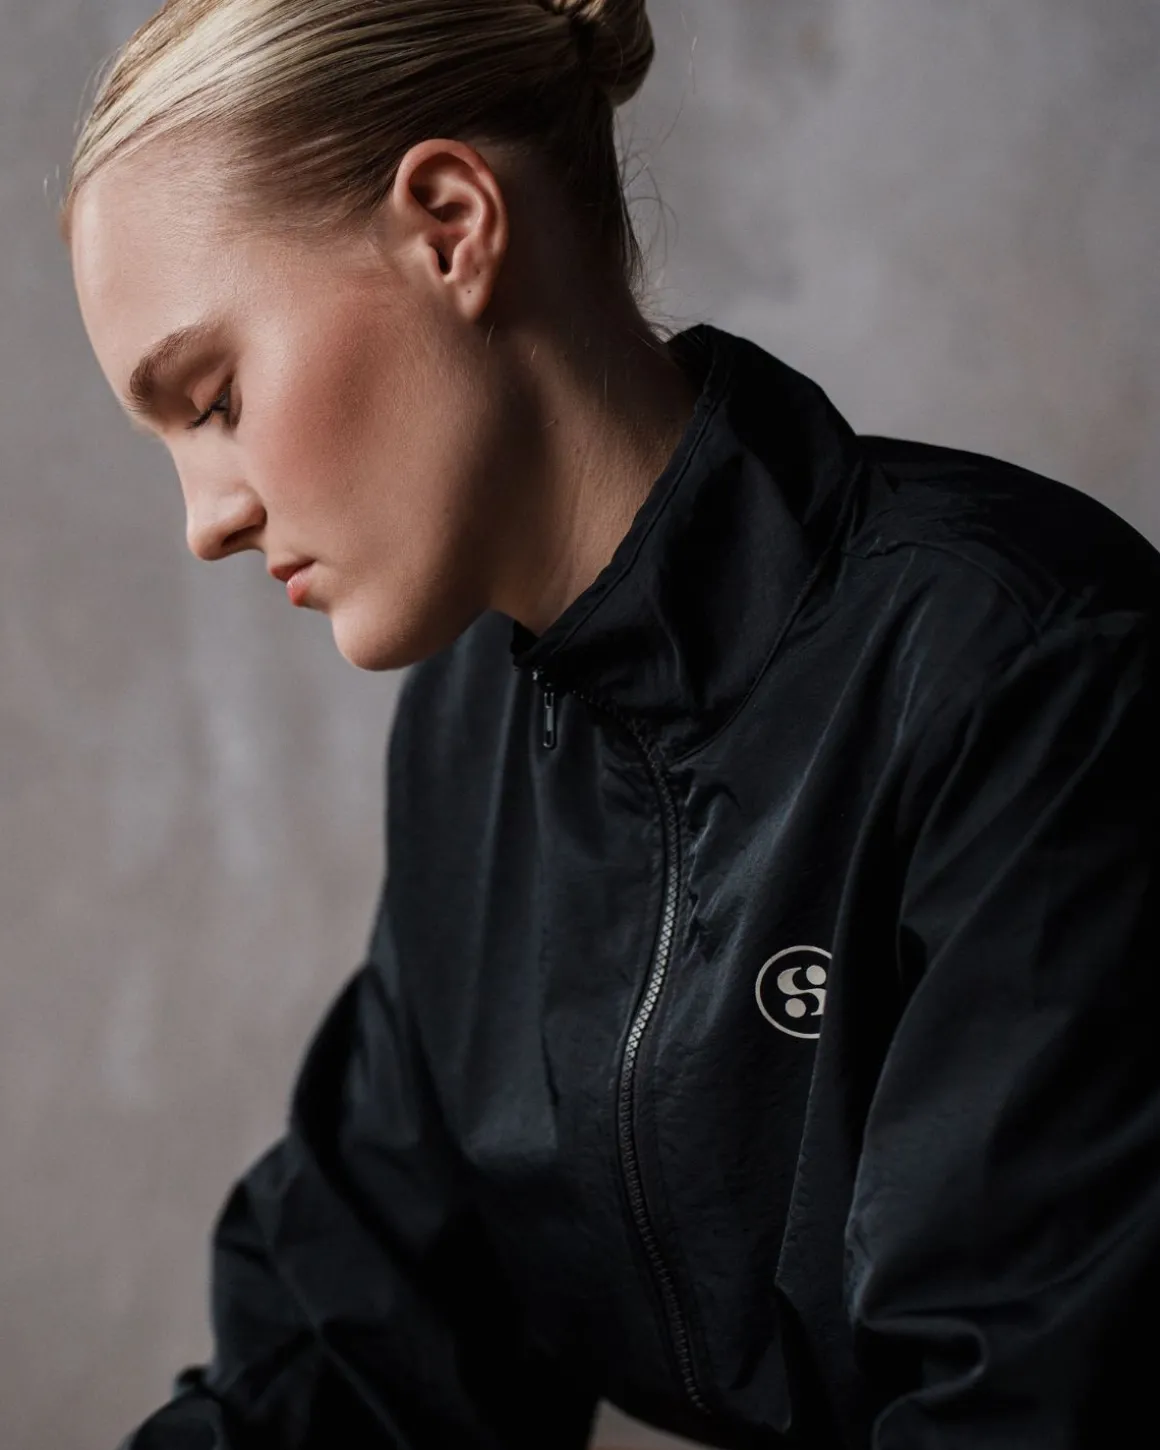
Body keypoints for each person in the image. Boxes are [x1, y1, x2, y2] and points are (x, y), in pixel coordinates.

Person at [62, 1, 1160, 1447]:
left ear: (450, 227)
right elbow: (359, 1345)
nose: (205, 521)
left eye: (213, 398)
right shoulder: (469, 730)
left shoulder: (1022, 671)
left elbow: (1024, 1402)